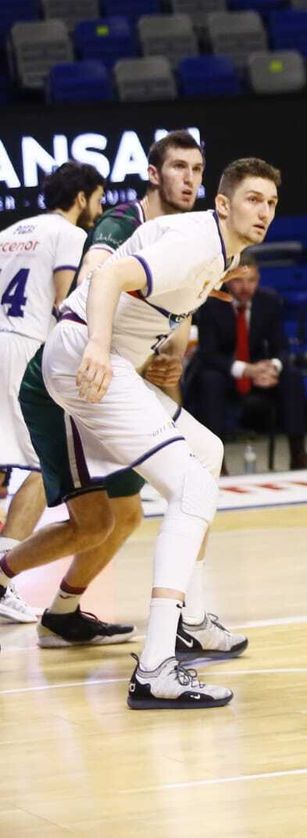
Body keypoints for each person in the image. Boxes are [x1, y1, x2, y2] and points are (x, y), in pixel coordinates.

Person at [3, 158, 278, 708]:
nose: (264, 211)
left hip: (100, 360)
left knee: (207, 451)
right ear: (222, 203)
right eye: (252, 199)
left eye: (271, 202)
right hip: (83, 357)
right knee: (188, 489)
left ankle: (190, 620)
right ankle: (156, 667)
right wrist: (100, 348)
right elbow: (107, 274)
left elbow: (148, 267)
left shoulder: (216, 251)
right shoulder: (196, 244)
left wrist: (197, 291)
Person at [0, 130, 206, 648]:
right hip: (69, 374)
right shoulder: (119, 224)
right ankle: (183, 621)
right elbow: (91, 282)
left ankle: (62, 609)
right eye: (179, 167)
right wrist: (98, 344)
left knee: (122, 514)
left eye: (197, 169)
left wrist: (168, 362)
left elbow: (171, 327)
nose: (189, 178)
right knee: (89, 511)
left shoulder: (186, 239)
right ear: (154, 174)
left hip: (109, 381)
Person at [0, 161, 105, 625]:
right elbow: (65, 303)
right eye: (97, 199)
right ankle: (2, 583)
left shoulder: (9, 232)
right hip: (23, 344)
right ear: (81, 197)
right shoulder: (69, 235)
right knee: (40, 464)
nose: (97, 209)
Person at [187, 253, 307, 470]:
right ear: (227, 280)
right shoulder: (211, 304)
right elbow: (208, 355)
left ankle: (298, 453)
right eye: (239, 281)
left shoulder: (269, 301)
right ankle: (216, 463)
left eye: (252, 281)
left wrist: (272, 368)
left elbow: (282, 348)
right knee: (210, 380)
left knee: (291, 376)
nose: (245, 287)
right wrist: (246, 370)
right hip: (226, 374)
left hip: (259, 374)